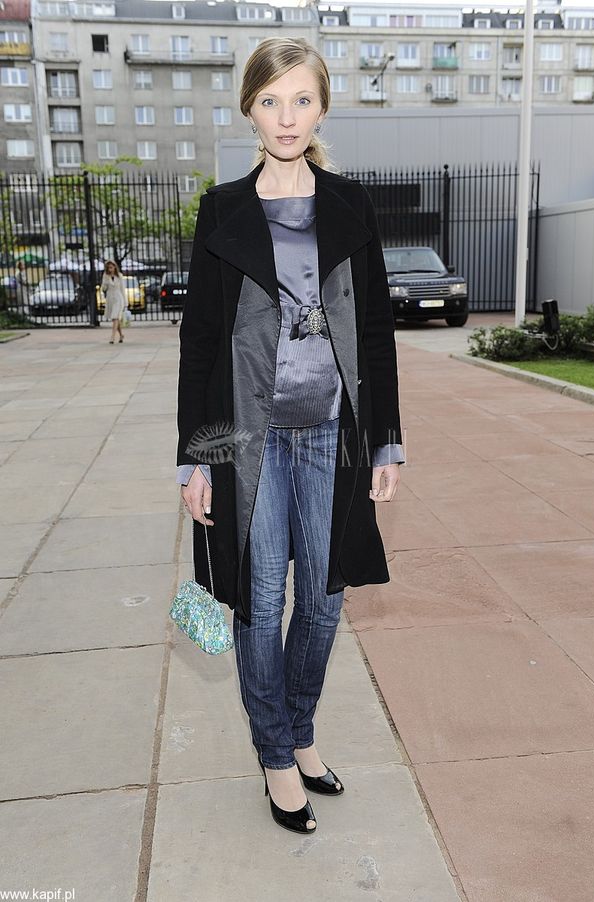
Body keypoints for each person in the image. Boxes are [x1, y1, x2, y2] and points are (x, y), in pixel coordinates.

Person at [176, 37, 404, 835]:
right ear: (249, 108)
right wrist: (197, 460)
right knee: (262, 595)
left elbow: (374, 331)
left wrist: (386, 442)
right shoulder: (223, 209)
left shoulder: (350, 205)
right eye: (271, 100)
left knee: (324, 601)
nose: (286, 116)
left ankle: (300, 729)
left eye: (301, 99)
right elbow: (201, 344)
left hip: (332, 435)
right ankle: (276, 753)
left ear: (323, 107)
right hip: (251, 440)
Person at [101, 260, 127, 343]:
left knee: (116, 317)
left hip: (118, 298)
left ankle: (112, 337)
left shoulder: (119, 276)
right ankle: (121, 335)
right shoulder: (105, 276)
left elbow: (122, 289)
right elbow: (103, 288)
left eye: (111, 267)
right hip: (110, 298)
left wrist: (125, 303)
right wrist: (105, 282)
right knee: (115, 318)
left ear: (115, 267)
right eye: (108, 268)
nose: (110, 269)